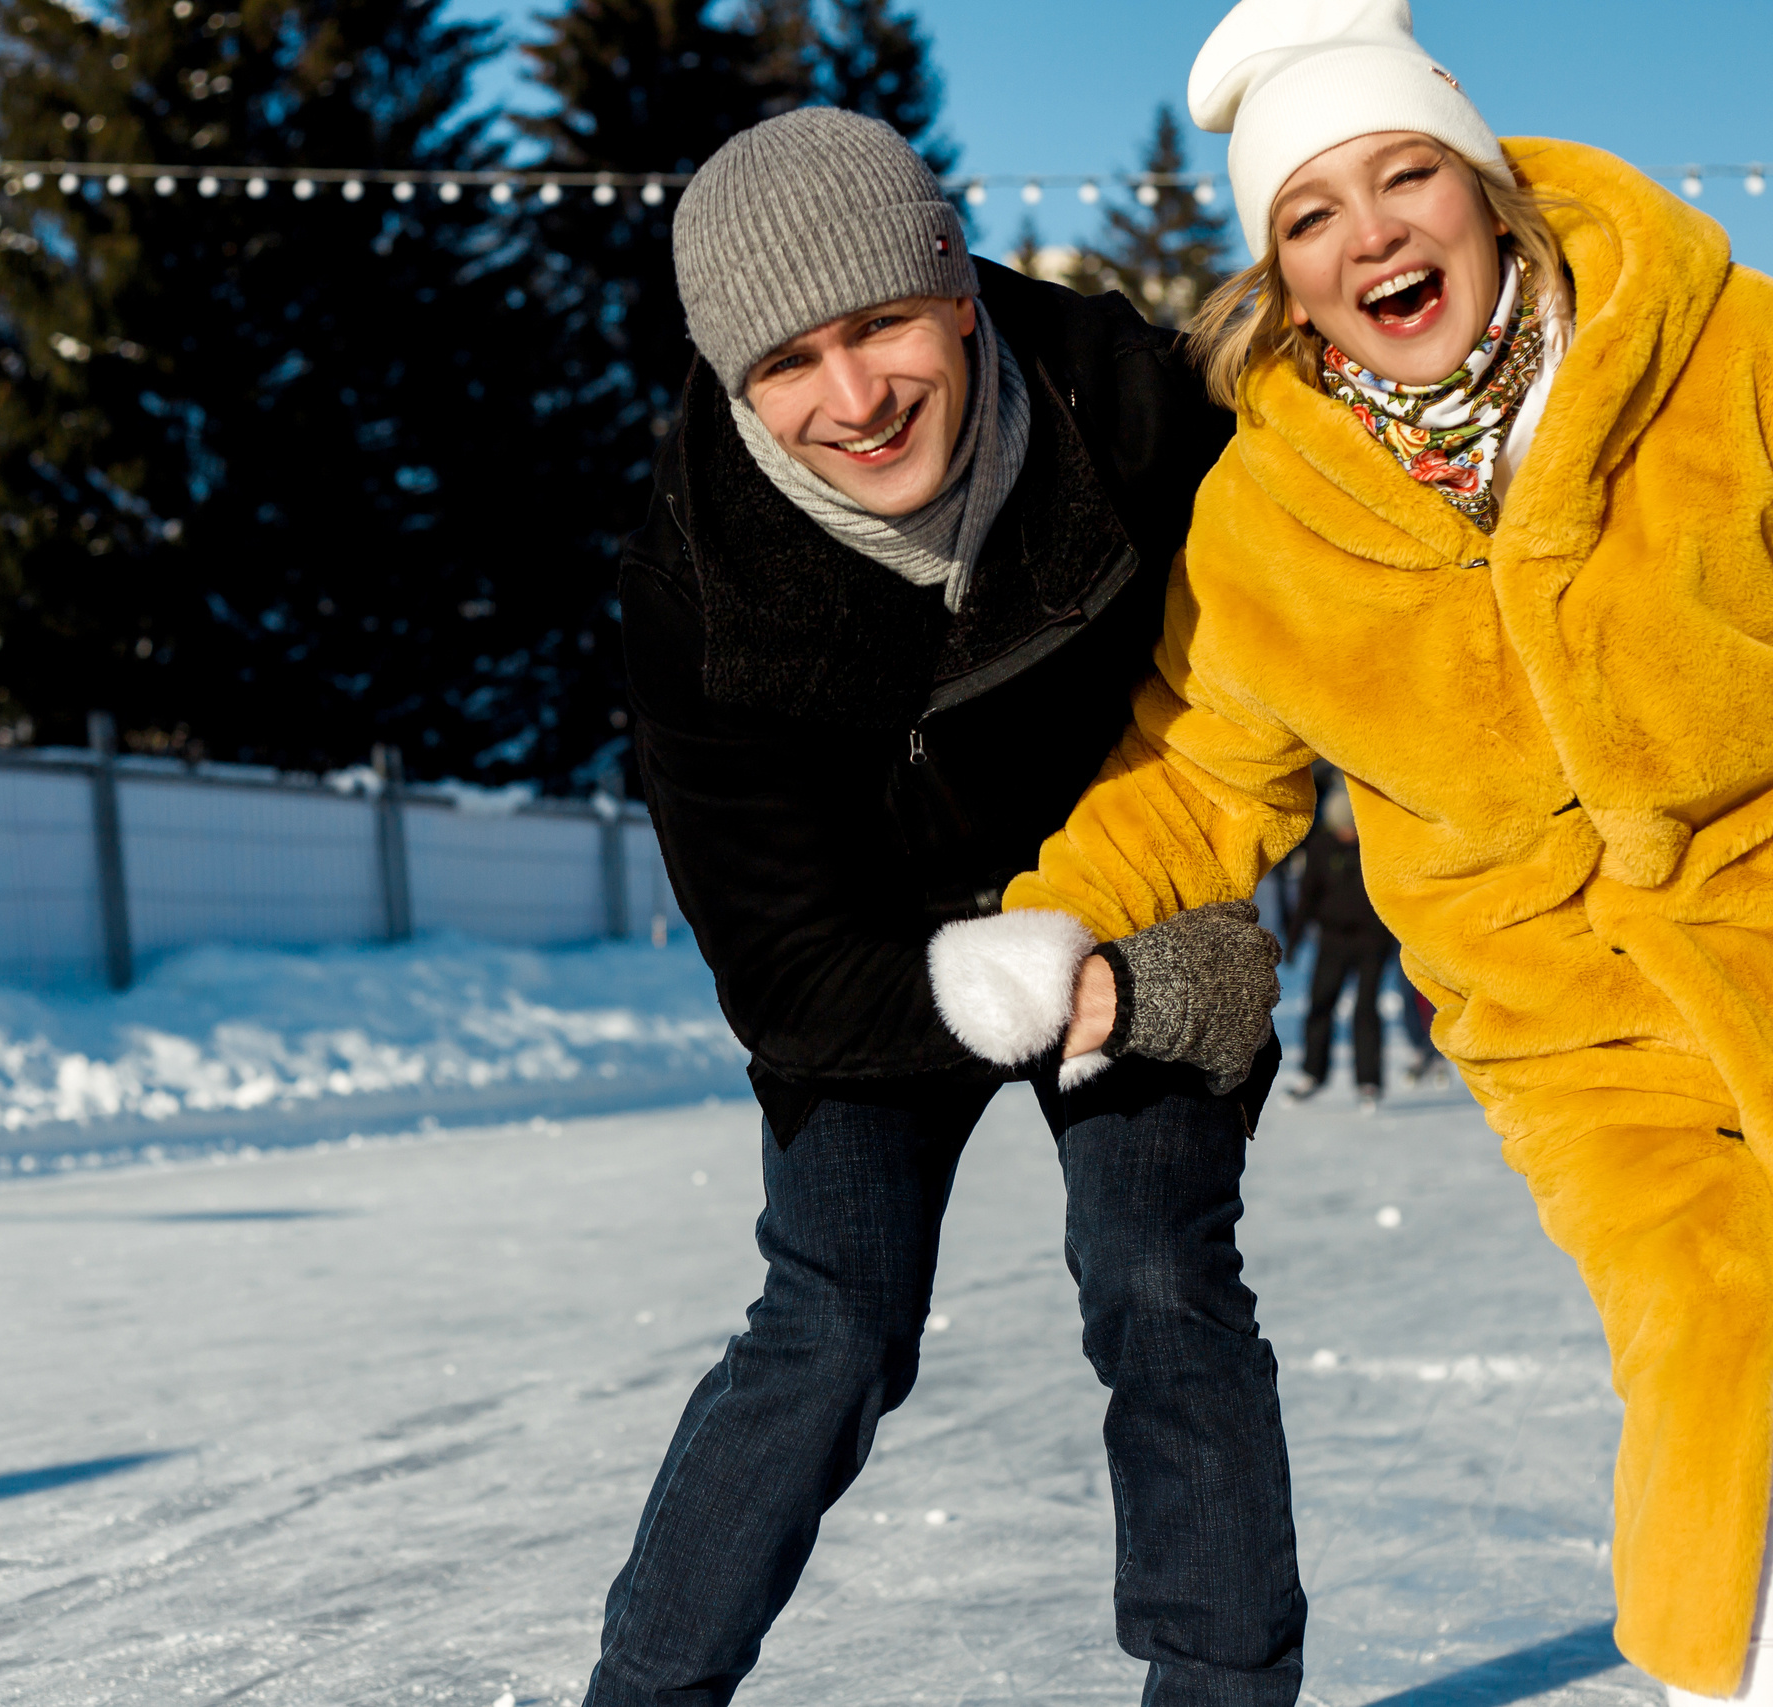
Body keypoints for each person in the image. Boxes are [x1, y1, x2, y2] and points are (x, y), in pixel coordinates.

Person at [925, 2, 1773, 1704]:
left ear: (1490, 190)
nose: (1371, 232)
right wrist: (1055, 915)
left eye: (1406, 176)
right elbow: (1202, 773)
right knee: (1730, 1349)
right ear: (1280, 275)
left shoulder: (1745, 363)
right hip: (1571, 1016)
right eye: (1311, 214)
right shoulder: (1272, 518)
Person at [589, 106, 1301, 1707]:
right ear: (731, 376)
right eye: (788, 362)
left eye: (883, 325)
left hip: (1129, 886)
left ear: (956, 289)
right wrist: (1064, 994)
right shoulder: (695, 573)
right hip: (873, 958)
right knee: (834, 1317)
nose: (854, 397)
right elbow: (781, 969)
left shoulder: (1130, 409)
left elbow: (1280, 659)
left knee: (1161, 1277)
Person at [1286, 779, 1397, 1109]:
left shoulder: (1377, 846)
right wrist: (1292, 940)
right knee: (1320, 1003)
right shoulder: (1321, 847)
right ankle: (1312, 1073)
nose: (1348, 833)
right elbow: (1307, 897)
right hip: (1332, 939)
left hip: (1372, 940)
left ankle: (1369, 1082)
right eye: (1342, 827)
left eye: (1352, 827)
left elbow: (1394, 895)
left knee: (1366, 1010)